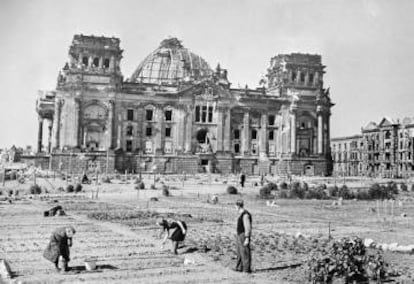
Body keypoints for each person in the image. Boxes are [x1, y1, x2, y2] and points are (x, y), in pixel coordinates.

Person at [234, 199, 252, 273]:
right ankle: (239, 268)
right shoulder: (241, 214)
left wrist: (247, 238)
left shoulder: (245, 215)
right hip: (239, 234)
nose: (235, 208)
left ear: (238, 206)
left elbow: (247, 227)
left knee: (244, 252)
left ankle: (246, 269)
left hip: (243, 235)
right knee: (239, 252)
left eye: (235, 206)